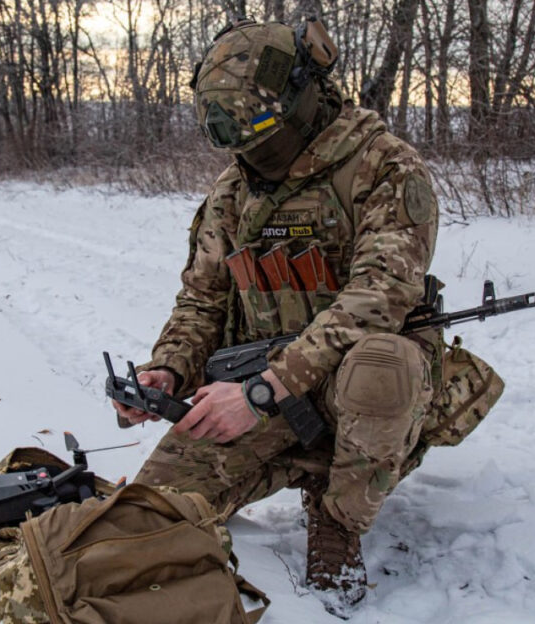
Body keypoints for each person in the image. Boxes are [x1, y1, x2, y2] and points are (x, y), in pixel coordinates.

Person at [113, 17, 443, 615]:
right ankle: (276, 468)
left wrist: (267, 390)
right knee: (147, 515)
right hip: (262, 387)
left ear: (303, 100)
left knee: (383, 360)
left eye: (258, 127)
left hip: (349, 389)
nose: (247, 147)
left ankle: (338, 521)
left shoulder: (383, 167)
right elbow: (203, 300)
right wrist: (168, 370)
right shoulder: (234, 192)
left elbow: (379, 297)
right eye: (229, 134)